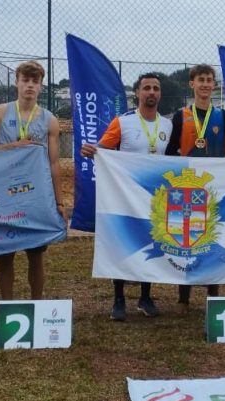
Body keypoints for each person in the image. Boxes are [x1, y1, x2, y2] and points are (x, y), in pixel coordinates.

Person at [81, 73, 172, 320]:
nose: (151, 92)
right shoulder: (123, 122)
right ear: (138, 93)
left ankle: (145, 297)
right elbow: (103, 149)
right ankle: (118, 299)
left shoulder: (167, 125)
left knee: (150, 243)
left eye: (155, 88)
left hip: (153, 197)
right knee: (121, 244)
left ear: (160, 94)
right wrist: (91, 150)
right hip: (125, 196)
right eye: (146, 88)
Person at [0, 60, 66, 299]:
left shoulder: (50, 120)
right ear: (16, 82)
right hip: (5, 194)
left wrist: (59, 202)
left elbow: (53, 163)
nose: (30, 85)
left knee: (35, 255)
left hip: (35, 196)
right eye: (25, 80)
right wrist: (15, 147)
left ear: (41, 86)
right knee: (6, 254)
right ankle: (7, 306)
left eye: (35, 81)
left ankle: (36, 304)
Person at [165, 64, 225, 312]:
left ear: (214, 85)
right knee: (187, 241)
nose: (205, 84)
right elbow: (170, 151)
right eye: (201, 80)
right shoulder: (181, 116)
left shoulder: (223, 116)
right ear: (192, 84)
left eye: (209, 80)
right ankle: (183, 298)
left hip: (214, 186)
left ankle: (213, 295)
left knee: (212, 238)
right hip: (188, 189)